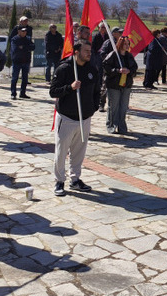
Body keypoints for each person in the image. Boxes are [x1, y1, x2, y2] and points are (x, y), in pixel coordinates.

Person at [50, 39, 100, 196]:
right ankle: (59, 181)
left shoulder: (92, 69)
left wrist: (93, 108)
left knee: (79, 152)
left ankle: (75, 179)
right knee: (61, 151)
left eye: (90, 51)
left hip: (84, 118)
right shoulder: (64, 68)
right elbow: (53, 91)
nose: (89, 54)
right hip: (67, 118)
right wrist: (69, 87)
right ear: (76, 52)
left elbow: (97, 91)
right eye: (86, 51)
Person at [103, 36, 138, 134]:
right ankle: (111, 125)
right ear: (120, 44)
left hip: (126, 85)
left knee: (123, 107)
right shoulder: (113, 55)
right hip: (114, 85)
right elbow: (106, 67)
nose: (127, 46)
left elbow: (135, 68)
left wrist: (129, 71)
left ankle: (122, 126)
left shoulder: (129, 56)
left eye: (128, 44)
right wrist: (118, 70)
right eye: (125, 44)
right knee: (113, 106)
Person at [9, 26, 33, 100]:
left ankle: (23, 93)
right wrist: (27, 48)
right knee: (15, 78)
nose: (24, 32)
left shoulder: (28, 39)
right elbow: (15, 49)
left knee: (25, 79)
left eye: (25, 31)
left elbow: (33, 47)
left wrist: (24, 47)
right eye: (22, 31)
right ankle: (13, 93)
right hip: (17, 61)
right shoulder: (15, 39)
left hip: (26, 61)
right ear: (19, 31)